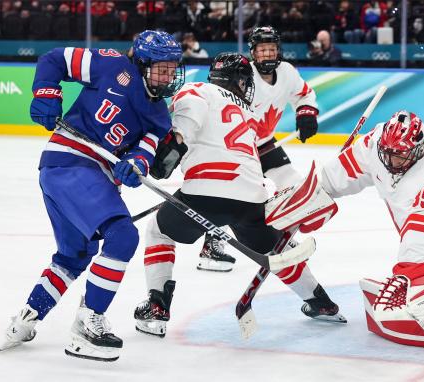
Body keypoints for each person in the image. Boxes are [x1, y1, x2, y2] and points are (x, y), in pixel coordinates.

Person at [0, 30, 185, 362]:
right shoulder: (109, 65)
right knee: (123, 236)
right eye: (161, 69)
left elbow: (145, 152)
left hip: (80, 175)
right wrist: (46, 92)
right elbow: (53, 59)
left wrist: (135, 165)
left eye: (172, 69)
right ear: (141, 64)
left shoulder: (159, 115)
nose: (167, 77)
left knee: (75, 256)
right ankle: (87, 324)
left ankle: (27, 318)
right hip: (70, 163)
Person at [134, 52, 345, 338]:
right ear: (240, 81)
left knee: (158, 231)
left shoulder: (198, 89)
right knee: (276, 250)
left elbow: (185, 124)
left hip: (204, 193)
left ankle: (157, 307)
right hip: (252, 197)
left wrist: (173, 149)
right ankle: (321, 302)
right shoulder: (248, 112)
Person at [266, 110, 424, 348]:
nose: (391, 161)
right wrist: (315, 195)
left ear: (418, 151)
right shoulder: (378, 142)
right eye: (388, 154)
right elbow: (349, 168)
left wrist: (416, 272)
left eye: (399, 156)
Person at [197, 26, 320, 273]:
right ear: (253, 52)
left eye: (272, 49)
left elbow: (304, 95)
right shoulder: (244, 74)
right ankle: (212, 244)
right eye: (262, 50)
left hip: (264, 142)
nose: (267, 55)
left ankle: (280, 237)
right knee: (238, 197)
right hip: (239, 148)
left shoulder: (287, 72)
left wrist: (306, 113)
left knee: (294, 185)